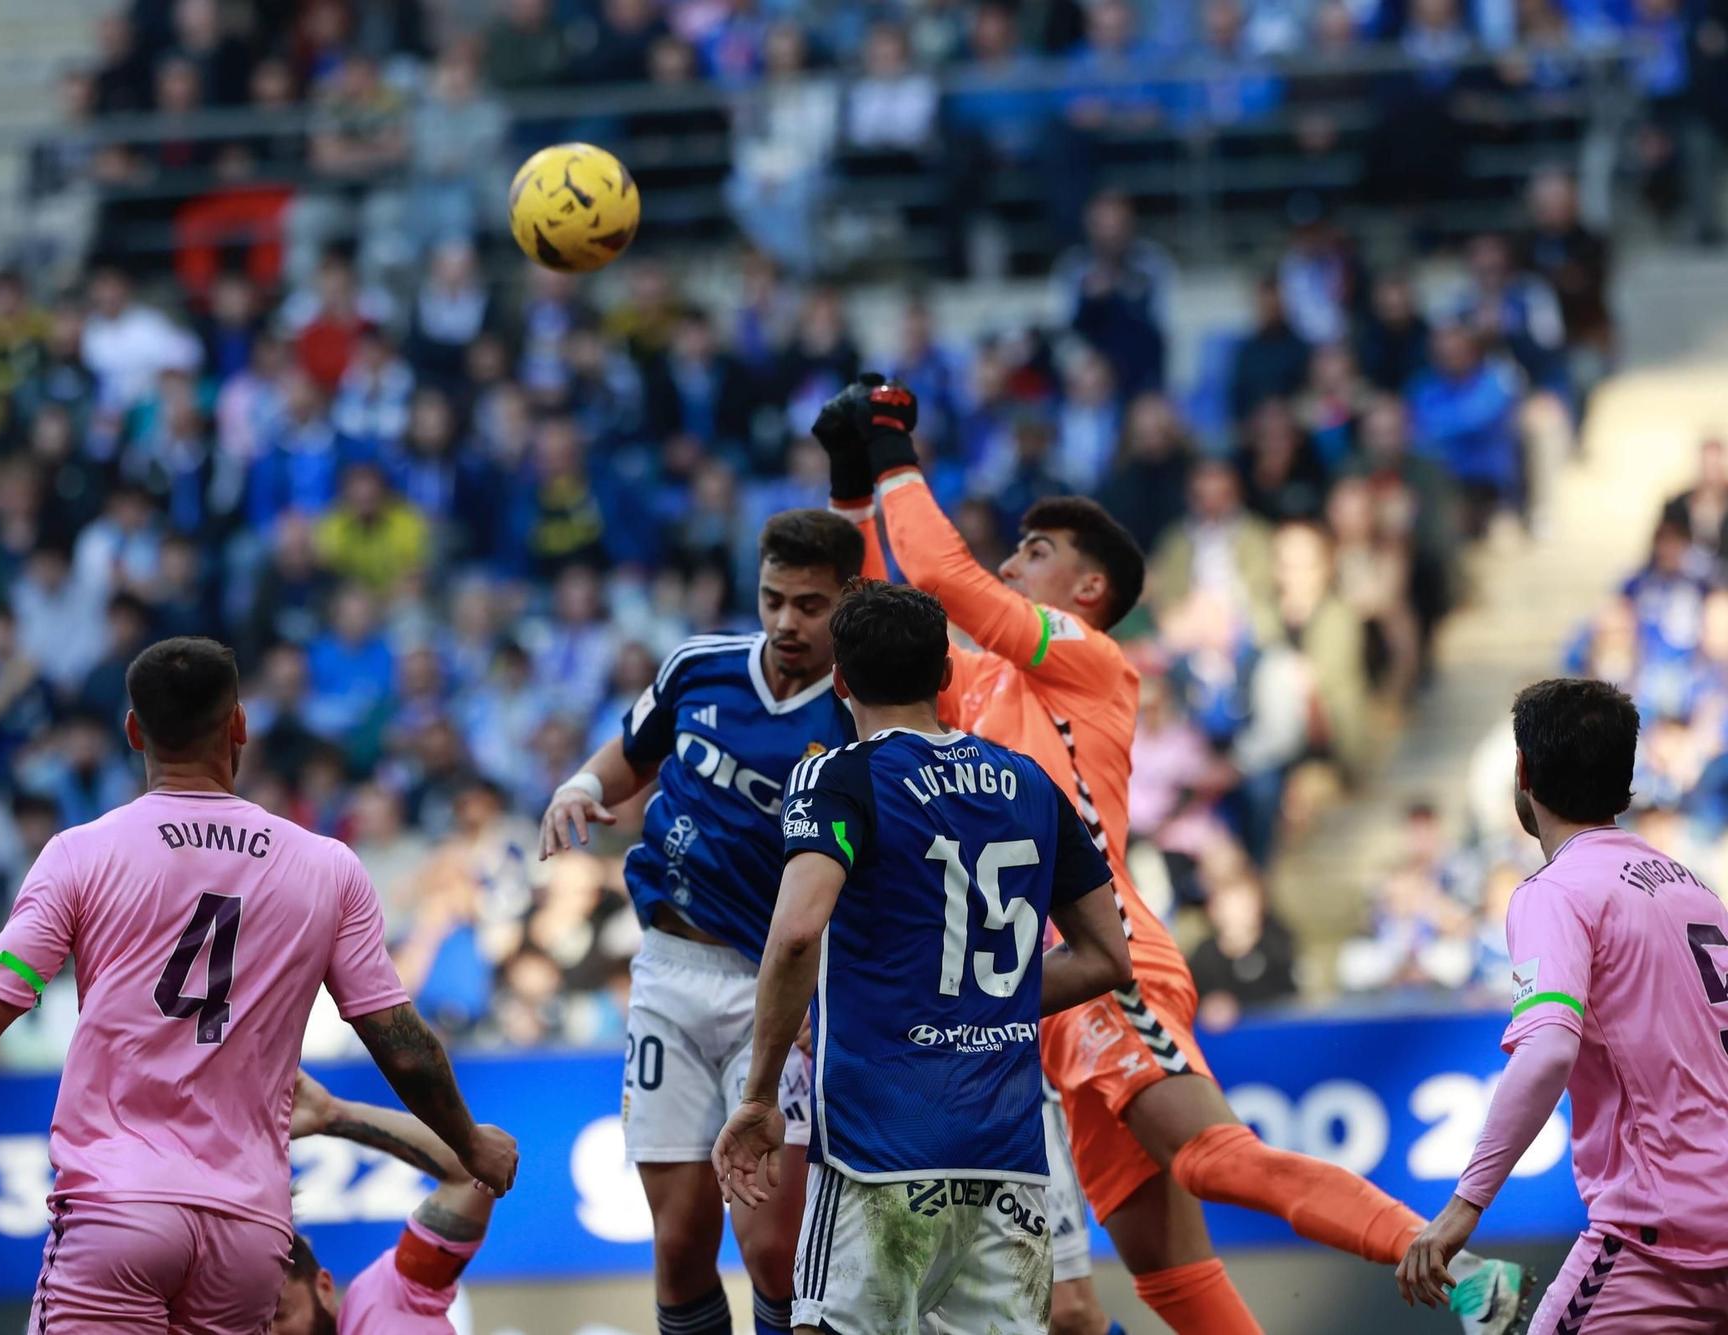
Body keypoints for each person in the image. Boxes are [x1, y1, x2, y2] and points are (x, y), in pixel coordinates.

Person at [819, 377, 1531, 1335]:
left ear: (1088, 590)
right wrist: (854, 486)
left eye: (1034, 551)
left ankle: (1458, 1267)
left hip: (1107, 959)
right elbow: (880, 628)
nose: (1010, 561)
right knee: (1166, 1271)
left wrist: (894, 443)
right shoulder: (977, 684)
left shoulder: (1086, 656)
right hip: (1045, 989)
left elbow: (945, 580)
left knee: (1209, 1155)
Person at [0, 637, 516, 1333]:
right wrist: (468, 1140)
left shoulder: (81, 854)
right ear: (240, 725)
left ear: (134, 730)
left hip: (118, 1208)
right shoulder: (327, 868)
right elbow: (402, 1044)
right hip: (249, 1235)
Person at [710, 580, 1132, 1334]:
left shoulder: (837, 775)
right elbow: (1106, 957)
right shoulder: (1031, 784)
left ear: (839, 680)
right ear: (945, 675)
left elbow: (798, 930)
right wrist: (981, 1006)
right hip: (1005, 1159)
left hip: (881, 1149)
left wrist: (759, 1093)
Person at [539, 510, 863, 1335]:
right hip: (669, 972)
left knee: (774, 1249)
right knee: (680, 1242)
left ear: (850, 600)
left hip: (785, 994)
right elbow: (633, 755)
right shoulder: (699, 666)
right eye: (773, 598)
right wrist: (580, 783)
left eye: (811, 605)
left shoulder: (862, 718)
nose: (788, 621)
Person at [1402, 678, 1728, 1331]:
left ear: (1522, 771)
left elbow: (1548, 1047)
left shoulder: (1554, 892)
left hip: (1658, 1240)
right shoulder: (1694, 887)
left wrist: (1465, 1205)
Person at [272, 1069, 496, 1335]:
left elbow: (476, 1169)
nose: (266, 1332)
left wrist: (331, 1114)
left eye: (280, 1314)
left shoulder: (385, 1302)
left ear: (323, 1289)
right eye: (245, 1322)